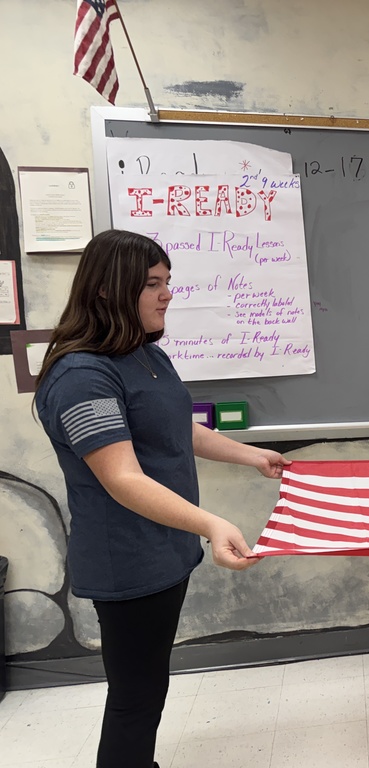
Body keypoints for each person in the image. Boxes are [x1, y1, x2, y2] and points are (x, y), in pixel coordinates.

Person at [33, 229, 290, 768]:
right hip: (127, 562)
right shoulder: (82, 376)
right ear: (108, 289)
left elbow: (178, 428)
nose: (167, 294)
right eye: (152, 283)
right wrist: (211, 524)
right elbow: (122, 478)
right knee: (136, 698)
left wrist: (252, 456)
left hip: (165, 551)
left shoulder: (145, 354)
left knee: (148, 688)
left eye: (167, 281)